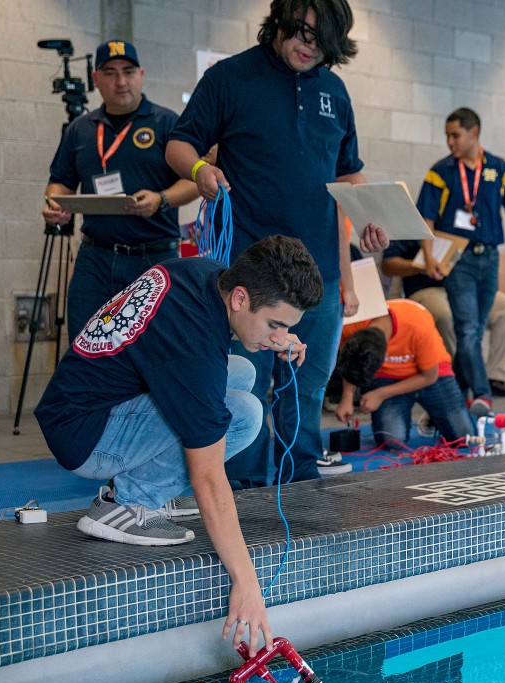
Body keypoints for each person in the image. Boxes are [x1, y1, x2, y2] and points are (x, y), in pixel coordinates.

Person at [35, 235, 323, 656]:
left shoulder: (203, 274)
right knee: (244, 414)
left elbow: (202, 352)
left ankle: (154, 487)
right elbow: (208, 478)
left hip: (83, 404)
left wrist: (269, 337)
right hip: (85, 436)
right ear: (241, 298)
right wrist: (246, 580)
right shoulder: (193, 347)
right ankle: (130, 502)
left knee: (240, 370)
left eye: (286, 328)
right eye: (275, 325)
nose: (280, 335)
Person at [166, 0, 388, 488]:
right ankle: (240, 493)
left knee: (306, 393)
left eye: (321, 41)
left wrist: (371, 218)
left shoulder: (334, 89)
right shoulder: (231, 78)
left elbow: (348, 172)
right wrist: (201, 171)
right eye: (300, 34)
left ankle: (301, 485)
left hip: (320, 278)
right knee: (243, 388)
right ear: (279, 23)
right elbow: (179, 144)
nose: (309, 48)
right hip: (253, 275)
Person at [42, 39, 200, 341]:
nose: (121, 81)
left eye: (128, 71)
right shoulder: (81, 128)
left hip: (153, 258)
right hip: (95, 258)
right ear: (95, 79)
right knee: (84, 347)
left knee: (155, 347)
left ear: (141, 74)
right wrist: (53, 204)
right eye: (110, 73)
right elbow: (60, 180)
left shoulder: (167, 123)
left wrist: (161, 199)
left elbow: (195, 180)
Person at [416, 107, 505, 417]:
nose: (450, 142)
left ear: (474, 133)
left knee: (475, 328)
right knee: (468, 330)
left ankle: (454, 394)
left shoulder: (500, 168)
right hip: (459, 261)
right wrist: (430, 258)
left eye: (455, 135)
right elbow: (426, 219)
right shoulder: (440, 171)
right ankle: (483, 395)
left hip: (491, 257)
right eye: (447, 135)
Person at [381, 239, 505, 399]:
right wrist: (424, 265)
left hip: (467, 288)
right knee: (446, 314)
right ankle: (451, 379)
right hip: (428, 288)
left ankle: (494, 377)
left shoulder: (457, 224)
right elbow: (388, 265)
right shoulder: (413, 228)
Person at [334, 298, 475, 447]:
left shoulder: (418, 325)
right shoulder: (352, 326)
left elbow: (429, 376)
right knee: (391, 441)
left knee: (464, 438)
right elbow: (352, 363)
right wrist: (347, 398)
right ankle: (434, 412)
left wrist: (380, 394)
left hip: (432, 374)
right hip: (388, 376)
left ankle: (436, 414)